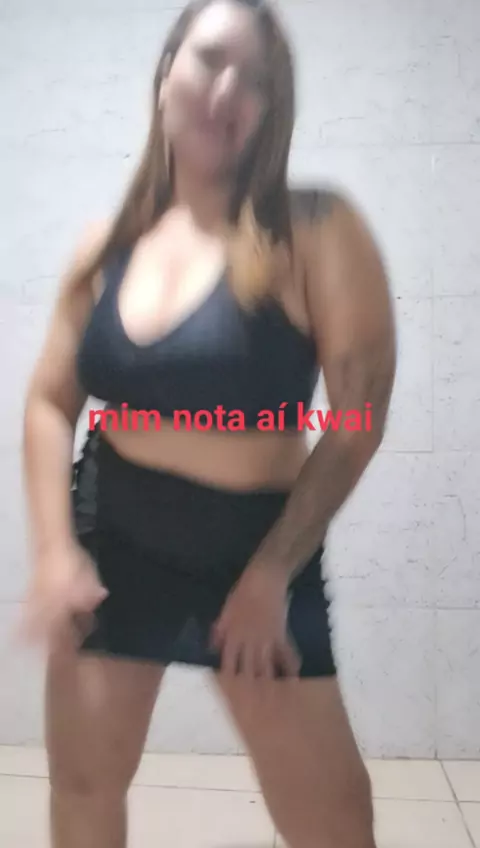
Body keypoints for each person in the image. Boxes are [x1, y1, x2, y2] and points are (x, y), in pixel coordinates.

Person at [21, 0, 396, 846]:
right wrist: (54, 550)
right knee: (83, 788)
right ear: (165, 75)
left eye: (255, 80)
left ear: (272, 110)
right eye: (210, 60)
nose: (227, 91)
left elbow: (357, 418)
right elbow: (50, 402)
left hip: (256, 552)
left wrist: (270, 574)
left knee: (334, 819)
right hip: (115, 538)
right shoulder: (104, 247)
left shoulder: (315, 228)